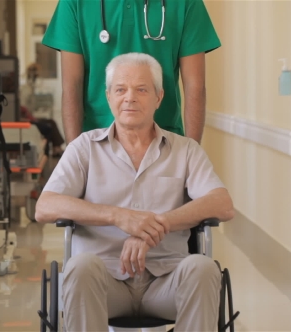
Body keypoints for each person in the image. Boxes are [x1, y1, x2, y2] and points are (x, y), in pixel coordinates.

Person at [35, 53, 234, 331]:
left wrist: (156, 226)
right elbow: (45, 207)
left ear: (159, 97)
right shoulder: (84, 148)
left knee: (203, 268)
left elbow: (222, 204)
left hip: (166, 282)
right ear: (108, 96)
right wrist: (118, 217)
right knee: (79, 267)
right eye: (120, 89)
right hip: (104, 283)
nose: (130, 98)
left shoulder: (185, 150)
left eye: (141, 89)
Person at [42, 0, 221, 144]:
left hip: (162, 143)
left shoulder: (186, 3)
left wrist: (191, 156)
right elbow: (72, 85)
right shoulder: (74, 3)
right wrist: (75, 156)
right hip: (97, 143)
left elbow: (195, 86)